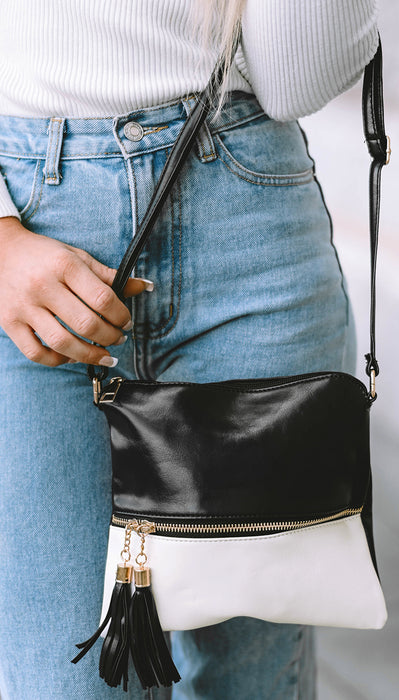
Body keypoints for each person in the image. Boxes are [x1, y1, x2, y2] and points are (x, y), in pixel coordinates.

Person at [0, 1, 379, 698]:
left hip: (247, 215)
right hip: (29, 230)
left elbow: (300, 79)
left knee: (254, 673)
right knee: (63, 681)